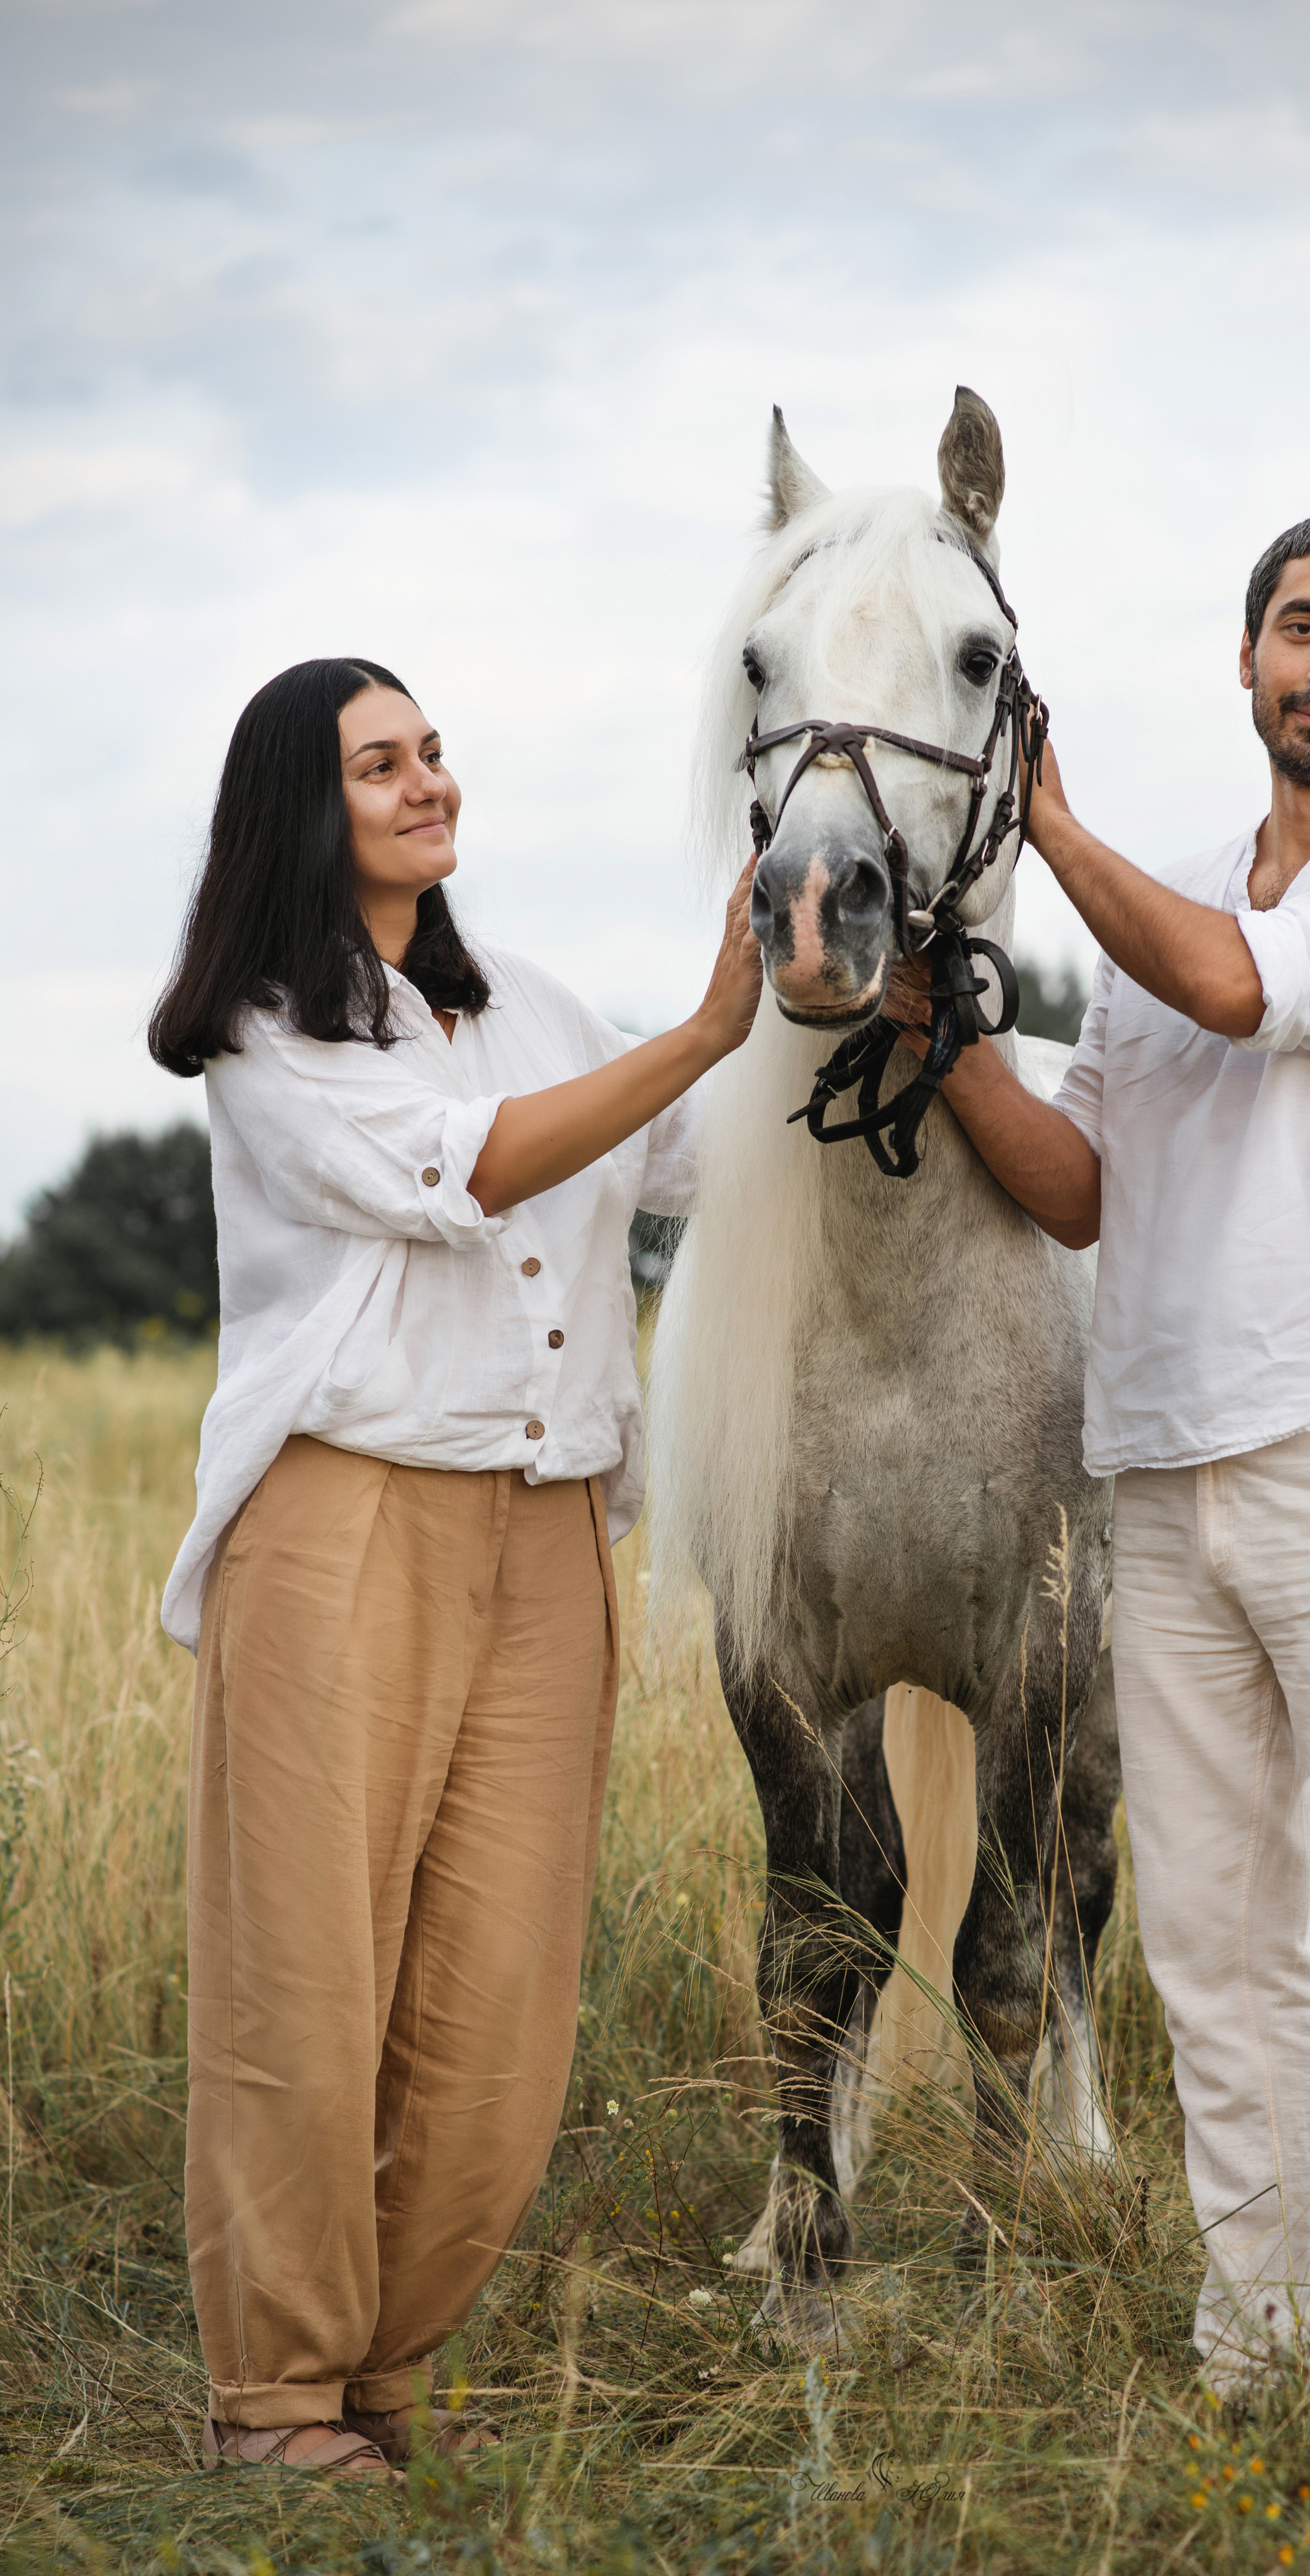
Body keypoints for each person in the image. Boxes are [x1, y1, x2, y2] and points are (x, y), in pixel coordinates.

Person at [891, 510, 1310, 2424]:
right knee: (1214, 1949)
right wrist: (948, 1043)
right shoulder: (1164, 899)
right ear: (1247, 657)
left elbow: (1248, 988)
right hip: (1163, 1481)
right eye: (1302, 628)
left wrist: (1049, 831)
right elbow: (1086, 1191)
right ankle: (1262, 2357)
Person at [150, 657, 760, 2477]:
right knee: (308, 1983)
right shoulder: (270, 1033)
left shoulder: (540, 1002)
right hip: (345, 1522)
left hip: (551, 1533)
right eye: (381, 764)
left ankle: (384, 2374)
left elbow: (692, 1168)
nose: (430, 784)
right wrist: (710, 1025)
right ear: (301, 805)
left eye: (432, 752)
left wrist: (838, 1012)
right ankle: (274, 2399)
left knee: (500, 2001)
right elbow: (468, 1172)